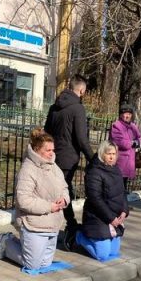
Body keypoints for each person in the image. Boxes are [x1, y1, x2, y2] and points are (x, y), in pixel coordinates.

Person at [0, 129, 70, 271]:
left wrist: (64, 199)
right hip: (33, 223)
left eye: (53, 150)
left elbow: (65, 187)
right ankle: (7, 242)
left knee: (45, 264)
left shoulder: (54, 167)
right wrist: (49, 206)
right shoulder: (27, 170)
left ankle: (25, 247)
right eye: (47, 150)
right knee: (32, 265)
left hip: (53, 223)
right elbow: (23, 200)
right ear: (37, 150)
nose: (51, 153)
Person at [44, 74, 94, 250]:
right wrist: (93, 159)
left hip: (52, 156)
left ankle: (50, 226)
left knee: (51, 191)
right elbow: (81, 138)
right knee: (64, 192)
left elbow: (46, 133)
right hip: (68, 158)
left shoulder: (54, 107)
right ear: (81, 90)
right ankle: (70, 226)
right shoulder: (78, 108)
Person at [75, 141, 129, 262]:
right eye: (108, 154)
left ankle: (104, 238)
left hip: (114, 217)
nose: (111, 157)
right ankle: (79, 236)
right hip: (97, 217)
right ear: (102, 154)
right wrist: (111, 218)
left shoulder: (116, 169)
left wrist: (124, 211)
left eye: (114, 154)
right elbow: (95, 198)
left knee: (113, 252)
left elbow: (122, 192)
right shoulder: (94, 171)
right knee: (102, 255)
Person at [109, 104, 141, 189]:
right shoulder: (116, 125)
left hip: (130, 160)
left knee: (125, 182)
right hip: (120, 159)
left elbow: (139, 137)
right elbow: (120, 142)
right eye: (125, 114)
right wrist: (132, 143)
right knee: (118, 181)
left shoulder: (133, 126)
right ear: (121, 114)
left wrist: (136, 142)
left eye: (129, 114)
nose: (127, 116)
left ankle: (123, 194)